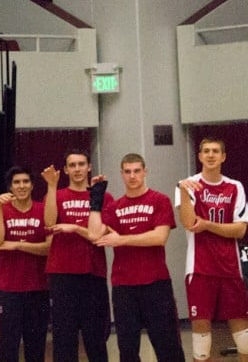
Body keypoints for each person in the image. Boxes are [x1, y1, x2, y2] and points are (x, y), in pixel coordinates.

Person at [87, 153, 185, 361]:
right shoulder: (114, 207)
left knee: (168, 347)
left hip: (156, 283)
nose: (133, 176)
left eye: (137, 171)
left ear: (145, 172)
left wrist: (121, 240)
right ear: (121, 174)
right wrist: (96, 199)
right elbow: (95, 234)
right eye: (128, 172)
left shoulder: (159, 200)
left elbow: (159, 237)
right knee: (128, 349)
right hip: (124, 286)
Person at [176, 138, 248, 362]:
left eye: (215, 151)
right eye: (206, 151)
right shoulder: (187, 184)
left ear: (223, 156)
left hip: (229, 267)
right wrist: (186, 194)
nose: (210, 155)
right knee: (201, 336)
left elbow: (239, 230)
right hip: (199, 268)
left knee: (242, 332)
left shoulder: (235, 186)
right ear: (199, 156)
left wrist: (208, 225)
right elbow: (189, 223)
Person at [44, 149, 112, 362]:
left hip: (93, 273)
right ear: (65, 170)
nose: (77, 169)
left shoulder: (102, 196)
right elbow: (48, 223)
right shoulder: (57, 195)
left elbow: (99, 234)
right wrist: (52, 186)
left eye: (81, 164)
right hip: (62, 274)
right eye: (72, 165)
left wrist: (74, 228)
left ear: (89, 166)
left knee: (96, 336)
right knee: (64, 337)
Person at [0, 165, 54, 362]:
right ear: (10, 187)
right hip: (8, 289)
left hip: (38, 288)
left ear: (33, 185)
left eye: (26, 181)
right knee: (8, 347)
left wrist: (18, 245)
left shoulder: (43, 210)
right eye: (17, 182)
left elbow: (49, 248)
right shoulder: (1, 210)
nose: (21, 186)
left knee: (36, 346)